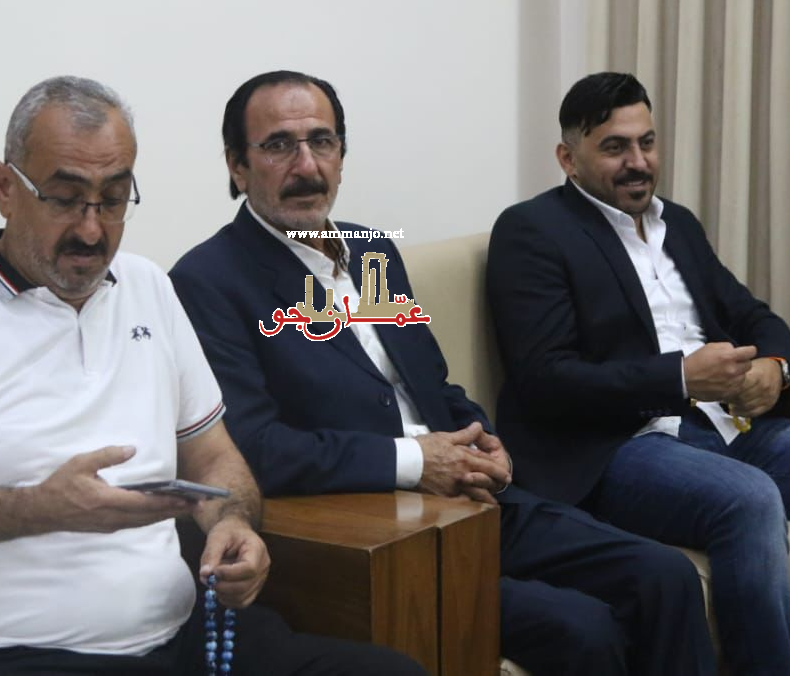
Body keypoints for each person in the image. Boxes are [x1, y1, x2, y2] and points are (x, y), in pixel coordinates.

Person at [0, 76, 422, 676]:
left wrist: (233, 525)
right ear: (5, 188)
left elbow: (215, 458)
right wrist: (37, 508)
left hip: (184, 636)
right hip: (2, 653)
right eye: (64, 198)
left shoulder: (147, 287)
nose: (91, 229)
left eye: (112, 199)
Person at [168, 70, 717, 676]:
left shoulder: (371, 251)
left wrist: (483, 442)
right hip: (371, 530)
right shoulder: (208, 280)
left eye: (322, 142)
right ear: (237, 166)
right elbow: (256, 447)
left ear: (342, 156)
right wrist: (417, 461)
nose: (307, 165)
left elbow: (432, 385)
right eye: (279, 145)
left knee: (665, 576)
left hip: (468, 497)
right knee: (582, 627)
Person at [484, 71, 790, 675]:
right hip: (621, 448)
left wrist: (777, 367)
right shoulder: (532, 231)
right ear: (569, 158)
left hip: (730, 429)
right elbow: (545, 378)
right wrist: (678, 379)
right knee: (748, 498)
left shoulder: (678, 225)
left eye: (646, 142)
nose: (637, 162)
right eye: (615, 147)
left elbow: (753, 316)